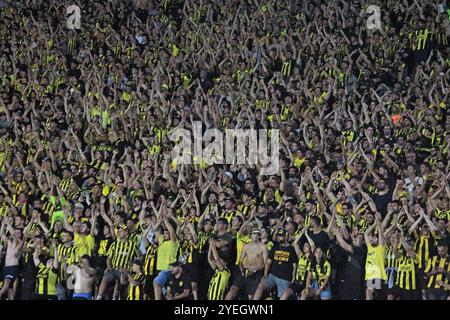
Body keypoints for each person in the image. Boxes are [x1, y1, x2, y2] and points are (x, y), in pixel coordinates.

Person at [254, 229, 297, 300]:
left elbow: (294, 264)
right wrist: (265, 273)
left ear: (286, 237)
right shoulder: (275, 247)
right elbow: (268, 261)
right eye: (278, 236)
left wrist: (293, 276)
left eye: (281, 236)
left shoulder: (291, 248)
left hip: (285, 277)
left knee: (282, 297)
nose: (279, 238)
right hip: (272, 275)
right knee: (260, 286)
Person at [225, 228, 268, 300]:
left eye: (257, 234)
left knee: (251, 296)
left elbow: (265, 263)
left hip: (256, 272)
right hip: (245, 271)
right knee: (232, 289)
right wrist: (242, 269)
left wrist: (255, 270)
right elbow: (240, 261)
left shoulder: (263, 247)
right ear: (250, 235)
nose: (256, 236)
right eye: (254, 234)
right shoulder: (246, 246)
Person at [364, 212, 387, 300]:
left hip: (377, 275)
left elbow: (381, 234)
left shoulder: (380, 248)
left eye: (374, 238)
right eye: (372, 238)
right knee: (369, 292)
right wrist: (374, 224)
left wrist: (378, 223)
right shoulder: (370, 248)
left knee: (372, 293)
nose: (372, 239)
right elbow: (366, 234)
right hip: (369, 275)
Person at [0, 221, 23, 300]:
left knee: (5, 286)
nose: (14, 233)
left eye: (17, 233)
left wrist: (9, 225)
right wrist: (3, 224)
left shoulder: (19, 244)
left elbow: (16, 237)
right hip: (6, 268)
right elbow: (2, 234)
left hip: (13, 268)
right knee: (10, 291)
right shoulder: (9, 242)